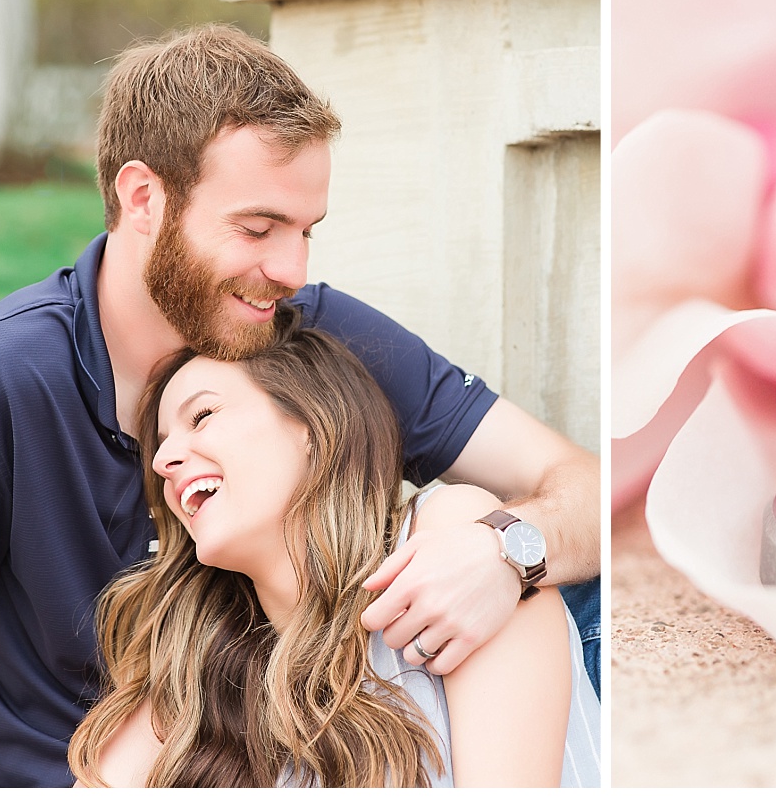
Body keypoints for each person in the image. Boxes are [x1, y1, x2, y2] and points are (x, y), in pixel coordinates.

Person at [0, 24, 599, 787]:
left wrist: (506, 551)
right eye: (258, 228)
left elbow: (588, 488)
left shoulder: (310, 336)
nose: (292, 269)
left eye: (305, 231)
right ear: (143, 198)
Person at [67, 305, 600, 787]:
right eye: (160, 448)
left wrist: (504, 551)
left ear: (311, 424)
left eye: (202, 416)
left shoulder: (455, 541)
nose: (163, 462)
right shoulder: (197, 667)